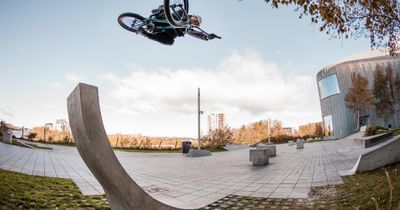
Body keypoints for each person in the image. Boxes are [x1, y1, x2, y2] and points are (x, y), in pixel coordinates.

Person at [139, 6, 218, 45]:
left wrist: (207, 37)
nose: (194, 21)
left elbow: (197, 34)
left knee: (171, 41)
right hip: (164, 20)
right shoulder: (182, 13)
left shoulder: (186, 28)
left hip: (163, 31)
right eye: (195, 19)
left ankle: (145, 34)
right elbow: (174, 12)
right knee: (170, 18)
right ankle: (160, 11)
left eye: (196, 23)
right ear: (193, 16)